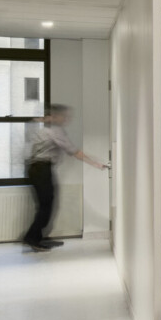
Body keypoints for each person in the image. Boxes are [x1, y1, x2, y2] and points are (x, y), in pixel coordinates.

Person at [23, 103, 108, 251]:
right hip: (40, 169)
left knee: (46, 205)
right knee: (45, 206)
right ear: (55, 116)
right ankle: (31, 238)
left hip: (39, 168)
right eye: (64, 116)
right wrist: (96, 163)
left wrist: (39, 120)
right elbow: (74, 151)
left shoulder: (45, 130)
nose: (67, 119)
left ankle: (37, 237)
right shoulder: (55, 131)